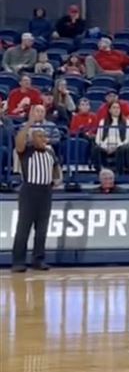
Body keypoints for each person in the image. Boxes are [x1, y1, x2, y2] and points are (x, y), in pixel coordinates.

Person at [11, 117, 61, 272]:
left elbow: (56, 168)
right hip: (29, 191)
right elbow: (18, 141)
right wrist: (29, 123)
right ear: (32, 138)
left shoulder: (50, 153)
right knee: (23, 228)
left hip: (45, 192)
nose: (44, 139)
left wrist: (56, 180)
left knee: (42, 229)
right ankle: (18, 262)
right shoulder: (26, 151)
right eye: (40, 136)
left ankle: (38, 260)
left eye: (45, 136)